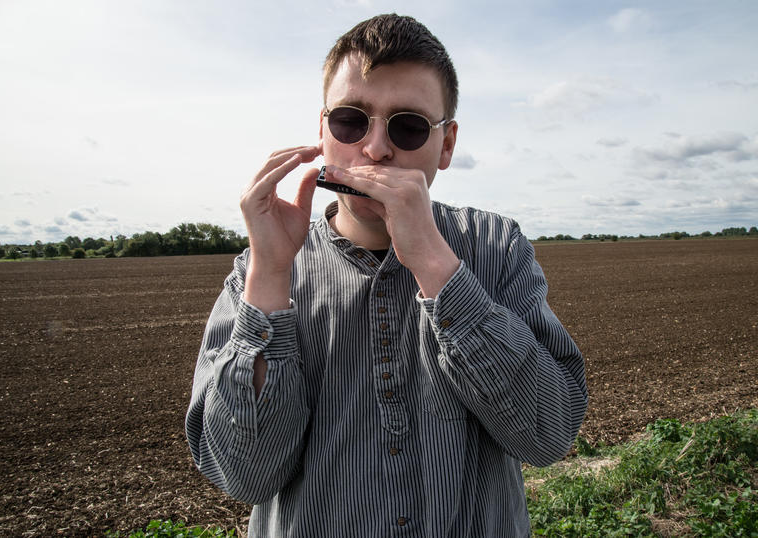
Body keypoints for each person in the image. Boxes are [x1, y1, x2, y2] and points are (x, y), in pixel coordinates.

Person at [186, 13, 587, 537]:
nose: (375, 148)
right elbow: (244, 476)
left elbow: (548, 434)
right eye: (351, 121)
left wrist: (436, 266)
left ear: (445, 145)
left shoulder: (497, 247)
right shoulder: (258, 271)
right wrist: (270, 279)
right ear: (323, 133)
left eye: (409, 125)